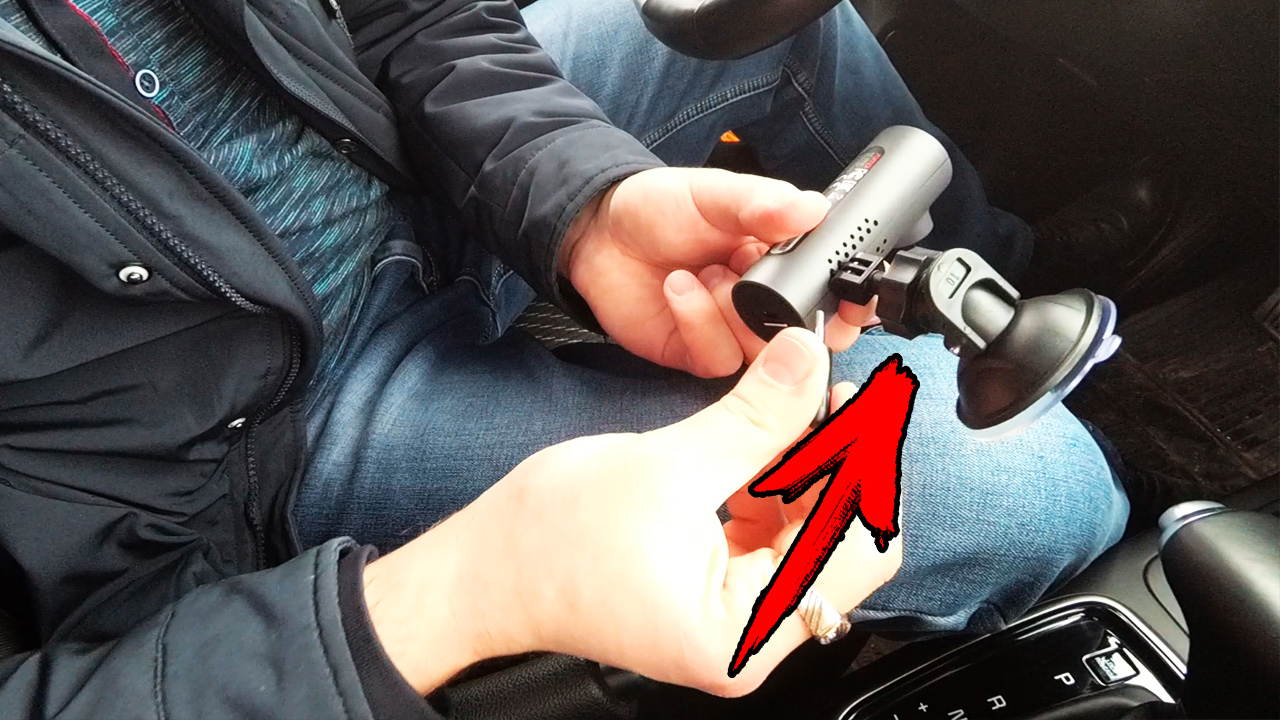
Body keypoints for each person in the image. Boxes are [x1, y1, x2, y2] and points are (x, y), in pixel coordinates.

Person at [0, 0, 1131, 715]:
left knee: (776, 20)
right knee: (1030, 483)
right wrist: (459, 596)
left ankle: (1003, 287)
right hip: (252, 454)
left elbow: (402, 17)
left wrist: (586, 199)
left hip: (411, 180)